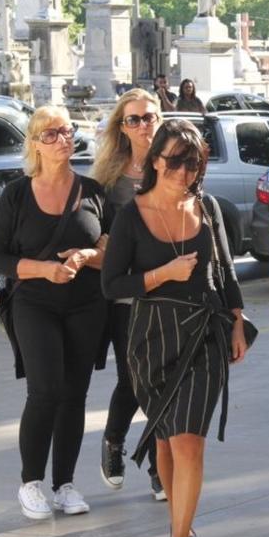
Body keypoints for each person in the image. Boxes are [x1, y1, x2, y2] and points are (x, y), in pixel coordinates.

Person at [102, 119, 250, 537]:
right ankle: (178, 523)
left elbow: (225, 271)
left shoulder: (207, 207)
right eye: (175, 162)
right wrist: (162, 274)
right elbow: (112, 284)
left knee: (188, 441)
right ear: (154, 161)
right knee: (165, 440)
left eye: (193, 164)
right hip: (151, 337)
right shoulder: (131, 216)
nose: (183, 172)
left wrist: (237, 323)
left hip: (204, 334)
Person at [0, 106, 109, 520]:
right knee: (45, 391)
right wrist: (44, 270)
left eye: (67, 131)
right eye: (51, 134)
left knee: (75, 394)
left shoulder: (93, 190)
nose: (63, 139)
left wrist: (88, 255)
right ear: (35, 144)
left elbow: (112, 249)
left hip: (86, 304)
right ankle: (31, 483)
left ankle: (65, 485)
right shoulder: (17, 194)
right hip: (34, 303)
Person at [91, 89, 165, 500]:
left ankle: (159, 469)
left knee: (164, 381)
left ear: (159, 119)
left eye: (148, 117)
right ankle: (114, 439)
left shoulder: (173, 164)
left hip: (169, 290)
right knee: (134, 378)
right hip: (125, 294)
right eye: (133, 119)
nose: (142, 125)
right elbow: (96, 231)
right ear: (122, 127)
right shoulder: (109, 177)